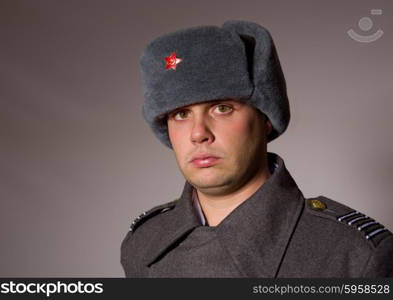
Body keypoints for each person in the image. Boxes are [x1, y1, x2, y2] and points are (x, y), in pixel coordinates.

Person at [120, 20, 393, 277]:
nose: (198, 133)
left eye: (222, 108)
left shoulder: (354, 254)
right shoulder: (143, 243)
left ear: (265, 119)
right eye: (180, 114)